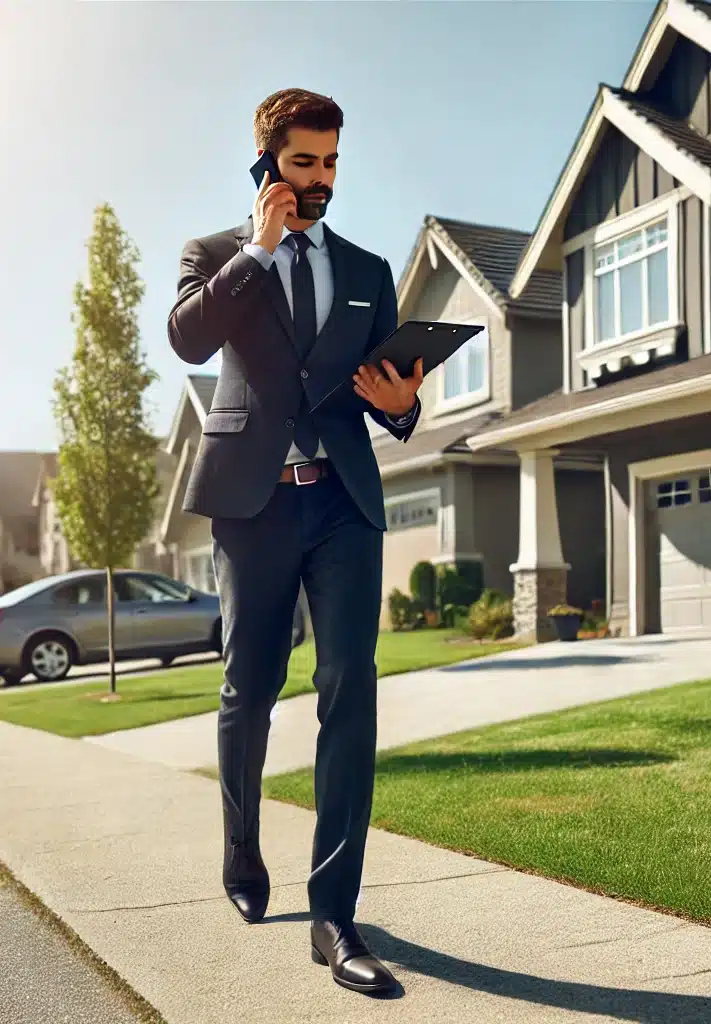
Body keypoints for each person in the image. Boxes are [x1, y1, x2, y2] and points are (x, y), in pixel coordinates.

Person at [166, 87, 424, 996]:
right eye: (304, 161)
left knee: (350, 687)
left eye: (331, 163)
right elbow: (188, 341)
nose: (319, 179)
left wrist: (403, 407)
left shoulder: (366, 269)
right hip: (254, 505)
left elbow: (388, 390)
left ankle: (334, 915)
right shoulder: (216, 255)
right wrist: (259, 249)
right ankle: (241, 851)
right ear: (268, 161)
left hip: (343, 503)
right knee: (251, 686)